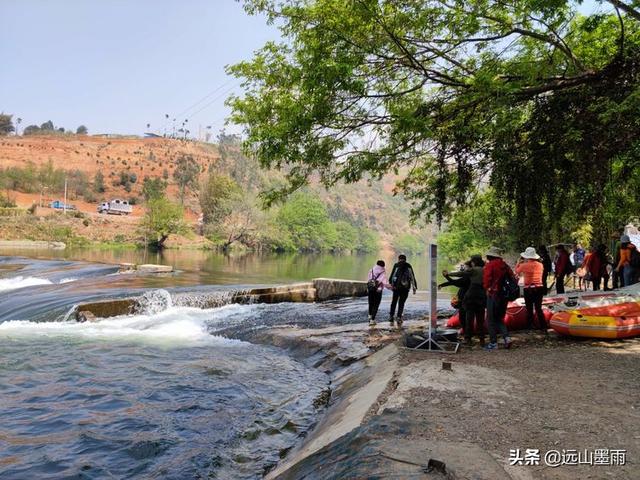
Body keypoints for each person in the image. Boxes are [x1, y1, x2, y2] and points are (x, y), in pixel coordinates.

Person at [445, 255, 486, 347]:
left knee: (469, 318)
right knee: (480, 318)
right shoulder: (485, 269)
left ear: (473, 262)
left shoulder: (474, 269)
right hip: (482, 294)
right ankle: (482, 339)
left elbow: (461, 273)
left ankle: (468, 338)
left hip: (472, 294)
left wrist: (449, 274)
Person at [482, 246, 514, 350]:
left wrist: (486, 288)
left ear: (490, 256)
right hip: (504, 296)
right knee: (499, 318)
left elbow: (487, 280)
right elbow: (512, 277)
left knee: (490, 319)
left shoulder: (490, 265)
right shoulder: (505, 265)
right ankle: (507, 338)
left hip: (493, 295)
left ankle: (493, 343)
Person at [516, 247, 546, 334]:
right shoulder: (540, 265)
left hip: (528, 288)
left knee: (529, 309)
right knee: (538, 308)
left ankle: (530, 326)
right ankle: (543, 326)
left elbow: (517, 272)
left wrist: (518, 263)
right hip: (539, 288)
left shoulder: (524, 265)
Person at [388, 254, 418, 327]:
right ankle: (399, 317)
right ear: (405, 259)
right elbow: (412, 277)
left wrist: (391, 285)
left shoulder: (396, 265)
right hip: (405, 288)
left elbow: (392, 275)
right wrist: (414, 287)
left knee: (394, 302)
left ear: (399, 259)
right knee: (401, 303)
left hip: (396, 288)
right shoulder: (408, 266)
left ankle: (391, 316)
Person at [367, 260, 393, 326]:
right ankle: (372, 320)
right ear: (383, 266)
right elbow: (385, 283)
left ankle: (370, 316)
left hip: (370, 288)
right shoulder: (382, 273)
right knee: (376, 304)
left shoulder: (371, 270)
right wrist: (392, 288)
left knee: (371, 303)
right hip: (378, 290)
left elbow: (369, 279)